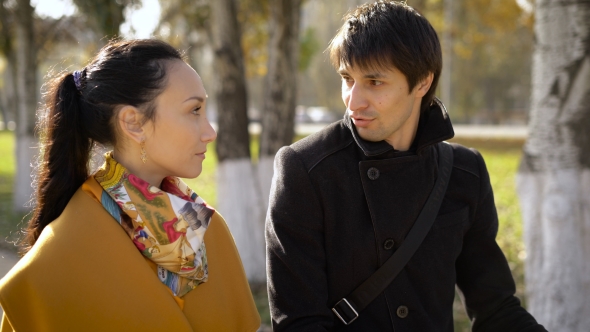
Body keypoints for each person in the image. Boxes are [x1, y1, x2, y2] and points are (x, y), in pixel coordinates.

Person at [265, 2, 547, 331]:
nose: (353, 101)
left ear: (422, 83)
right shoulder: (305, 170)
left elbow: (497, 310)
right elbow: (300, 324)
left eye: (374, 82)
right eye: (347, 79)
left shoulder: (465, 173)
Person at [0, 39, 260, 331]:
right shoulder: (58, 257)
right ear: (133, 123)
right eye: (194, 110)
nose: (210, 132)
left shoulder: (209, 230)